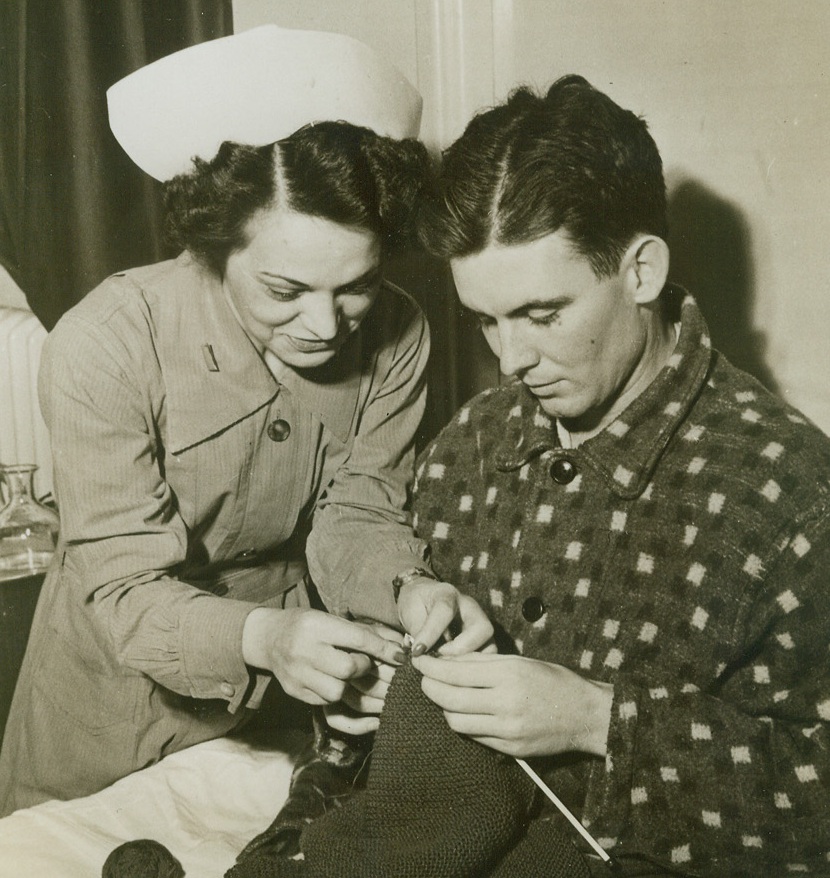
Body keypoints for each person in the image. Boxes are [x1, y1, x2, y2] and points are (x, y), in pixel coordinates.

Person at [0, 26, 492, 816]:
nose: (326, 326)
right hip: (104, 717)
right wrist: (262, 639)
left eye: (356, 286)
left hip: (272, 716)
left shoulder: (399, 332)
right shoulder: (107, 342)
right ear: (214, 244)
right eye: (285, 290)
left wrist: (410, 591)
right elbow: (123, 587)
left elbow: (358, 514)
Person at [410, 75, 830, 876]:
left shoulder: (792, 495)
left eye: (542, 314)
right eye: (486, 321)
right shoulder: (471, 441)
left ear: (641, 271)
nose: (511, 359)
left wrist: (601, 722)